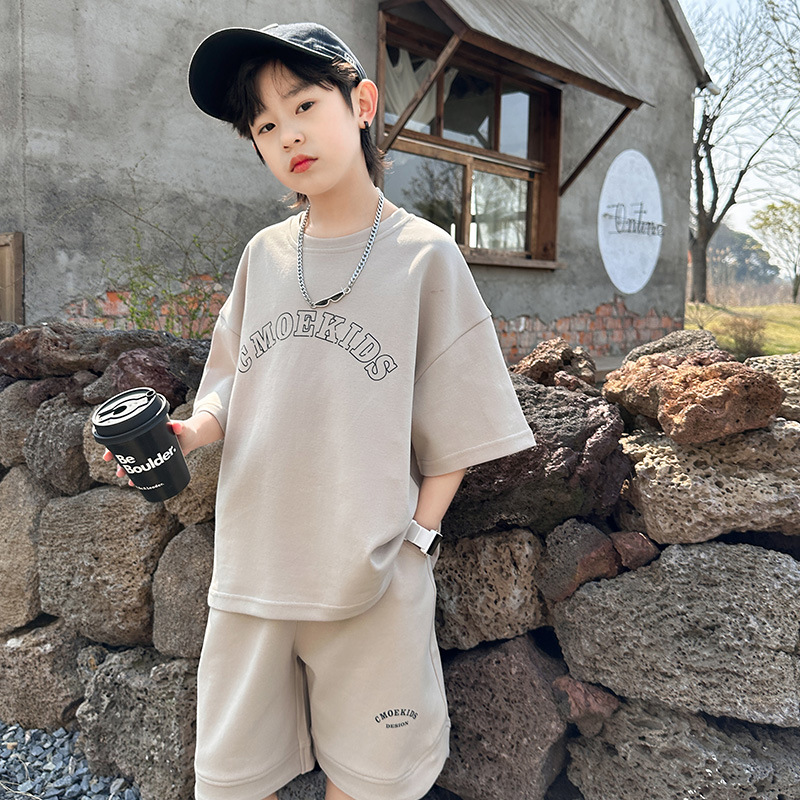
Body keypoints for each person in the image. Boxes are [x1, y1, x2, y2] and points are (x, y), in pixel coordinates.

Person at [107, 21, 535, 800]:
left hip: (370, 579)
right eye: (265, 125)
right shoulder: (263, 256)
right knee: (234, 778)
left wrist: (416, 542)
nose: (288, 135)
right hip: (254, 571)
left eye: (304, 105)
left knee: (369, 780)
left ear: (362, 103)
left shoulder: (425, 256)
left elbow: (461, 417)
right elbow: (233, 381)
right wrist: (192, 431)